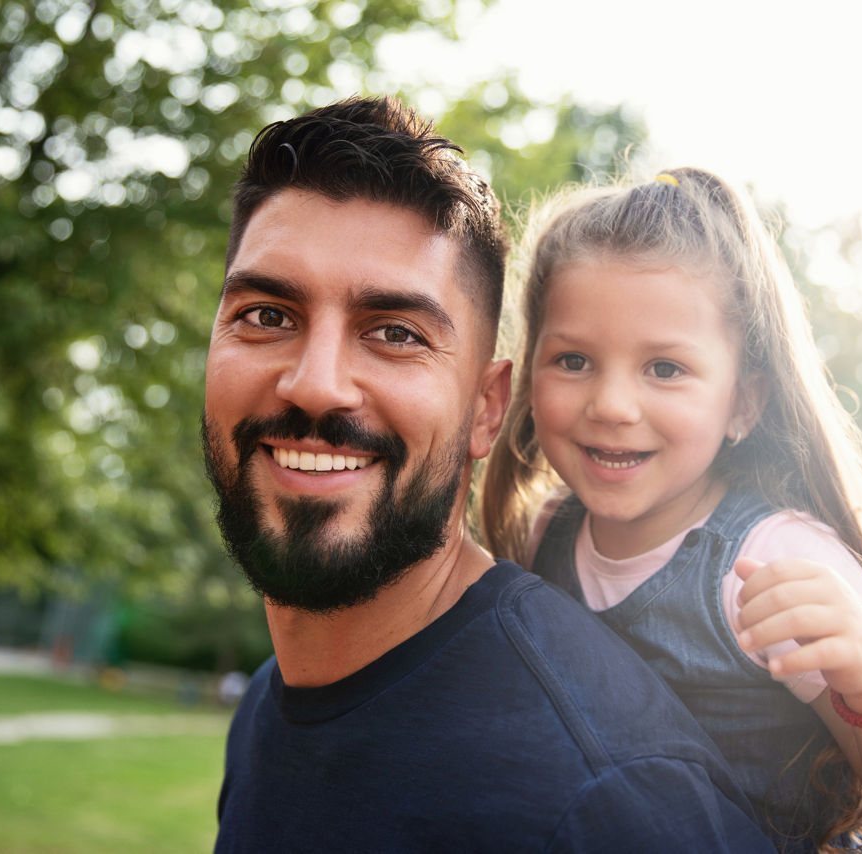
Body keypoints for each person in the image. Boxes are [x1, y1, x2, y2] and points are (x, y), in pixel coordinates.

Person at [203, 99, 775, 853]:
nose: (315, 385)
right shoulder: (267, 709)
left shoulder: (605, 791)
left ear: (487, 407)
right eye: (268, 315)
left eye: (395, 333)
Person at [482, 168, 862, 851]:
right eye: (573, 360)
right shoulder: (548, 533)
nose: (611, 405)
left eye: (664, 369)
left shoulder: (771, 560)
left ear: (744, 403)